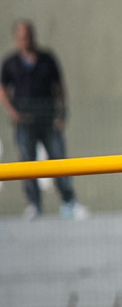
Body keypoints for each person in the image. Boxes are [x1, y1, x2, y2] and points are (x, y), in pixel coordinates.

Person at [0, 20, 88, 220]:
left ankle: (68, 202)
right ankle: (34, 204)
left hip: (48, 120)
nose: (26, 40)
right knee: (27, 163)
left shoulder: (46, 59)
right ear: (16, 39)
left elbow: (59, 86)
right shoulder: (11, 63)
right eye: (22, 37)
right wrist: (13, 113)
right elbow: (3, 90)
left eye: (28, 35)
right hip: (25, 122)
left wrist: (61, 112)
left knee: (58, 160)